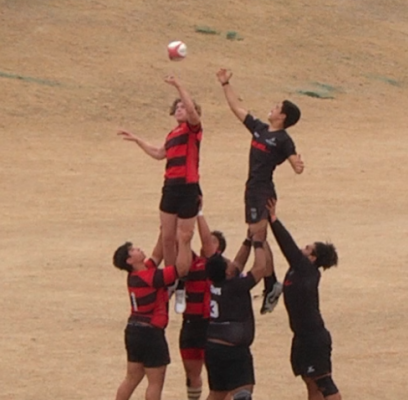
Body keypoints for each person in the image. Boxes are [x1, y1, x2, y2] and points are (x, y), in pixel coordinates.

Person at [216, 67, 304, 315]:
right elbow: (237, 109)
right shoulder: (260, 129)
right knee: (258, 237)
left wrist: (298, 165)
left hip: (263, 191)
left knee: (257, 237)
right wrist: (225, 84)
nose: (272, 108)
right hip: (252, 189)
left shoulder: (283, 140)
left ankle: (270, 283)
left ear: (283, 116)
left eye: (277, 107)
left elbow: (294, 163)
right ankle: (270, 284)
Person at [118, 75, 203, 313]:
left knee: (183, 237)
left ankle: (182, 285)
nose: (179, 109)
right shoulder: (173, 133)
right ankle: (171, 280)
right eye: (176, 107)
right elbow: (158, 153)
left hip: (188, 187)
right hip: (170, 187)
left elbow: (193, 113)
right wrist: (137, 140)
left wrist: (179, 85)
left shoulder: (193, 130)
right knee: (167, 237)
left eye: (183, 106)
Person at [266, 199, 342, 400]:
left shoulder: (307, 270)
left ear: (313, 258)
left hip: (314, 338)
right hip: (300, 337)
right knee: (310, 384)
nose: (302, 248)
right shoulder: (297, 270)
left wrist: (273, 220)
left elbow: (287, 246)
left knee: (324, 383)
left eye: (307, 248)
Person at [112, 230, 193, 400]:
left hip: (133, 331)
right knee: (155, 382)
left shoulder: (137, 275)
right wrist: (184, 243)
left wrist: (165, 230)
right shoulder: (151, 277)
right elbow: (182, 268)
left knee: (132, 378)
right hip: (151, 333)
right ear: (129, 260)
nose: (138, 249)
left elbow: (157, 253)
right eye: (133, 250)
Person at [204, 235, 267, 400]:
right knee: (243, 394)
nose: (231, 262)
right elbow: (260, 268)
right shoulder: (235, 287)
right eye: (227, 262)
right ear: (227, 272)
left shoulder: (217, 284)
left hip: (213, 348)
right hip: (233, 351)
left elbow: (237, 265)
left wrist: (247, 240)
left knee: (217, 394)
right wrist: (259, 242)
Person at [178, 210, 227, 400]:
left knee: (219, 378)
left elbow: (207, 244)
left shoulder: (217, 265)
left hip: (211, 326)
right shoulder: (191, 262)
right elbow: (179, 244)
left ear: (219, 250)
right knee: (192, 375)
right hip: (190, 323)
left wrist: (197, 212)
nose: (206, 241)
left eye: (213, 241)